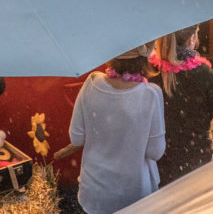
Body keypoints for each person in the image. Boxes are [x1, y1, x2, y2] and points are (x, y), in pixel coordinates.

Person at [53, 44, 165, 214]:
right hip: (135, 197)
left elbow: (76, 138)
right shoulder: (151, 94)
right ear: (145, 57)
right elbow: (155, 152)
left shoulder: (91, 83)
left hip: (95, 194)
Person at [148, 25, 213, 185]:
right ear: (191, 38)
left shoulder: (151, 71)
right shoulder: (203, 72)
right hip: (197, 161)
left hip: (161, 162)